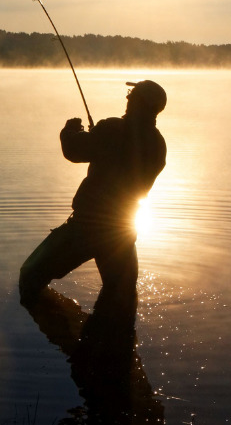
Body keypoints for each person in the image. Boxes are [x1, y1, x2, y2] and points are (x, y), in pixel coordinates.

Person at [18, 80, 167, 309]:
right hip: (122, 231)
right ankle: (111, 329)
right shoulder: (158, 144)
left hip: (86, 227)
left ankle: (59, 325)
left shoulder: (112, 129)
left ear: (139, 102)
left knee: (29, 275)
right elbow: (121, 156)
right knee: (121, 293)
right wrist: (98, 137)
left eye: (132, 94)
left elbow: (74, 150)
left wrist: (70, 130)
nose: (127, 98)